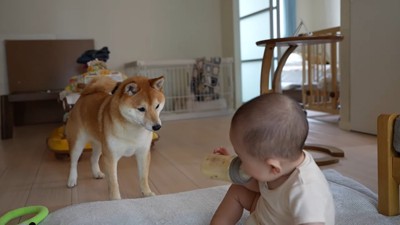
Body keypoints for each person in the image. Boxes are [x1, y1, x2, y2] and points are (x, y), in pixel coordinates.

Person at [210, 93, 335, 225]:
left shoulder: (306, 190)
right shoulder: (282, 161)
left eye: (242, 158)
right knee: (238, 189)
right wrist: (233, 171)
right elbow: (264, 188)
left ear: (273, 167)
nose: (239, 161)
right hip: (269, 210)